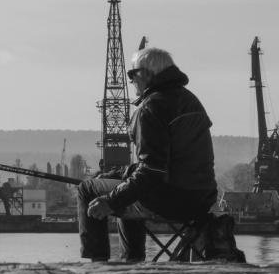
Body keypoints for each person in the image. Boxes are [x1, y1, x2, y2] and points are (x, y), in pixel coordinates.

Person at [77, 47, 218, 261]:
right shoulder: (191, 101)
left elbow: (152, 171)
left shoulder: (150, 108)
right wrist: (120, 175)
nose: (131, 80)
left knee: (87, 189)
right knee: (128, 188)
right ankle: (130, 261)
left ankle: (97, 263)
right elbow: (171, 162)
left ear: (146, 74)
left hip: (169, 201)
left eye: (132, 74)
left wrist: (111, 201)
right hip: (202, 199)